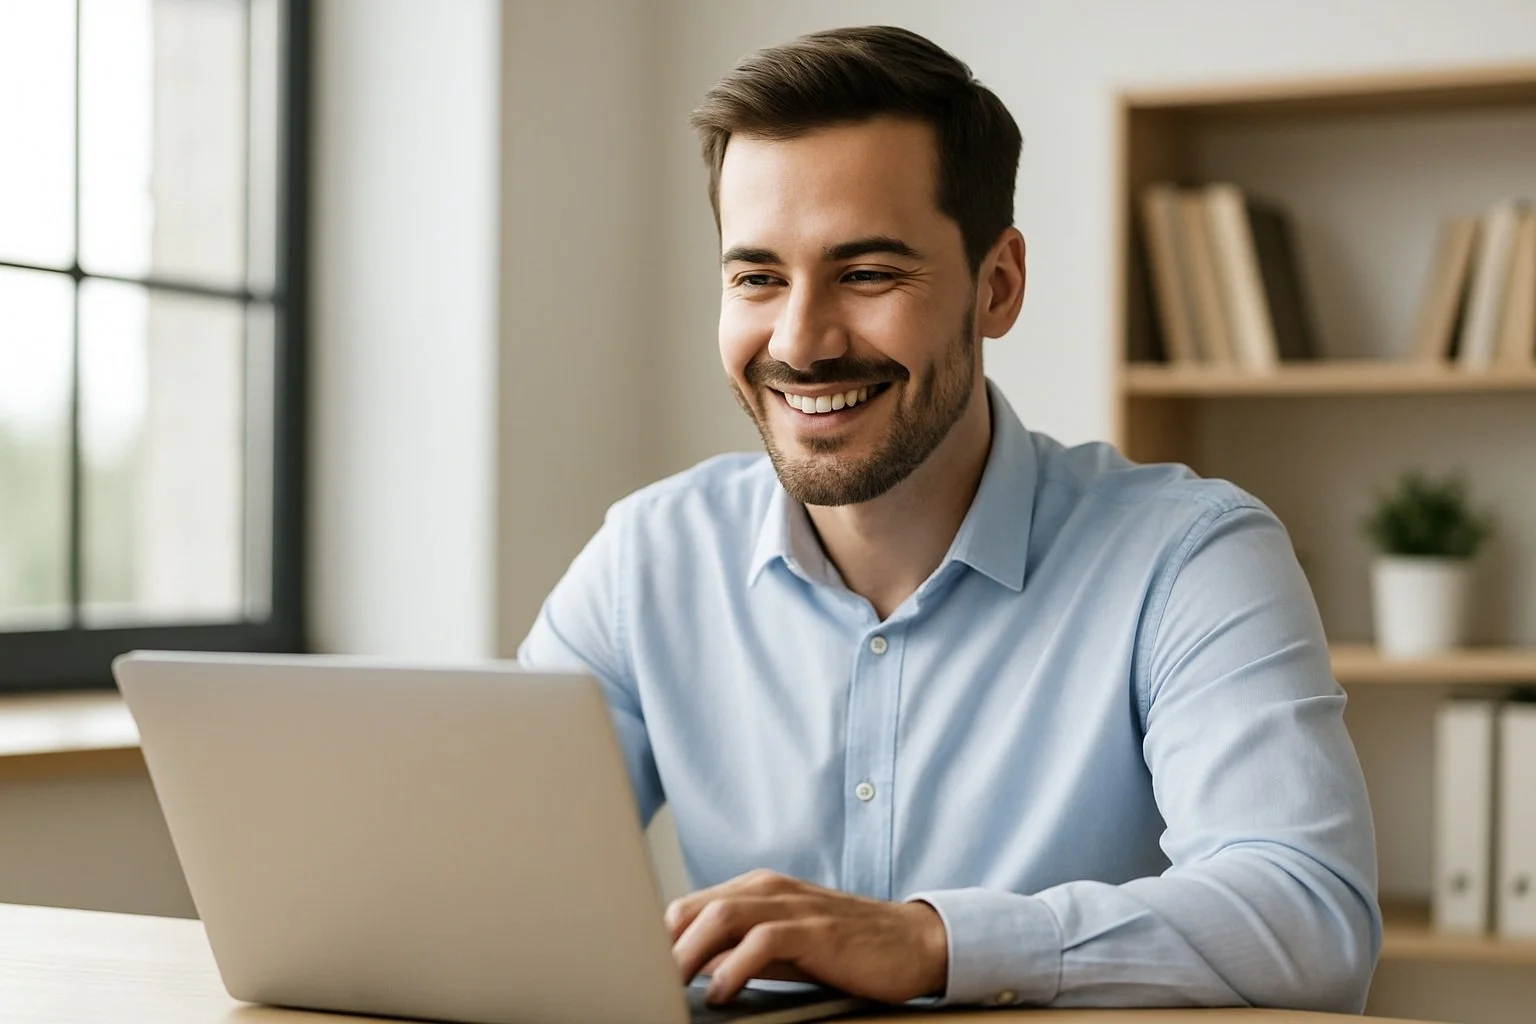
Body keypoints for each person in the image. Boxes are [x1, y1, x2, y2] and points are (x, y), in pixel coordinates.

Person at [519, 24, 1379, 1013]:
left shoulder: (1188, 557)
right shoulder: (646, 560)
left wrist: (934, 942)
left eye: (869, 273)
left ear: (997, 286)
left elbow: (1310, 923)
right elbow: (488, 879)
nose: (800, 342)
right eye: (758, 277)